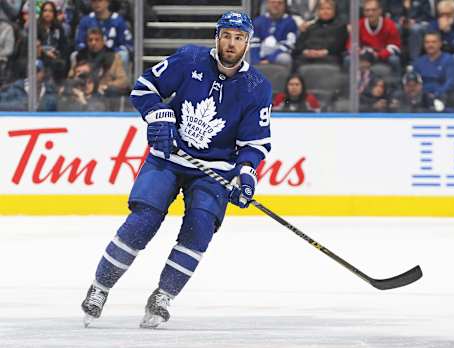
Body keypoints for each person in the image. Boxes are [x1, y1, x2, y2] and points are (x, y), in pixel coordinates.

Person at [80, 11, 272, 328]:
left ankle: (163, 296)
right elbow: (144, 88)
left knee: (199, 230)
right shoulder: (189, 58)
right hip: (169, 155)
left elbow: (254, 142)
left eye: (239, 38)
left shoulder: (256, 86)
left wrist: (246, 172)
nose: (231, 43)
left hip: (214, 170)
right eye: (226, 35)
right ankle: (100, 288)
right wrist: (158, 115)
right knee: (142, 221)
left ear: (247, 43)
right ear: (217, 37)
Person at [292, 0, 349, 67]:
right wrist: (306, 51)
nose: (325, 11)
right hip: (308, 57)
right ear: (317, 11)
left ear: (334, 11)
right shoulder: (310, 27)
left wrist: (324, 52)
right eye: (322, 9)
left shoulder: (340, 27)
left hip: (330, 57)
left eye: (328, 9)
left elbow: (340, 45)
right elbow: (298, 45)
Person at [413, 31, 454, 110]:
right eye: (427, 42)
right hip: (423, 102)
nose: (430, 45)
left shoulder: (449, 60)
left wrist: (437, 94)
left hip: (444, 101)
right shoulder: (419, 62)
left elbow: (451, 82)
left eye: (434, 42)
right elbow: (415, 83)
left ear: (440, 43)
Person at [250, 0, 298, 66]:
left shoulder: (290, 22)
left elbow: (289, 45)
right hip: (261, 53)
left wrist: (269, 59)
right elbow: (254, 44)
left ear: (285, 6)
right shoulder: (258, 21)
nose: (276, 5)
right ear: (267, 4)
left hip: (279, 54)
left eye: (280, 3)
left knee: (285, 59)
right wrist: (256, 61)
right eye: (273, 2)